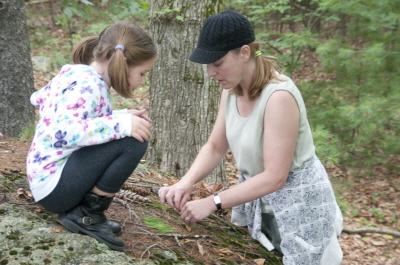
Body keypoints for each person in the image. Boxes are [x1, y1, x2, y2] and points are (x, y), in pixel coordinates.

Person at [158, 10, 343, 265]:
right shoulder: (231, 91)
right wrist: (186, 182)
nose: (210, 72)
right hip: (260, 201)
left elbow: (275, 176)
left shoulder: (278, 97)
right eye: (207, 64)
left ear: (244, 53)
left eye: (218, 63)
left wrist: (213, 202)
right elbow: (215, 146)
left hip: (300, 208)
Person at [26, 21, 157, 252]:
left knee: (128, 129)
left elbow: (60, 110)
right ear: (123, 63)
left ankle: (86, 212)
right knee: (133, 141)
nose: (142, 81)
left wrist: (120, 116)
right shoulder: (89, 85)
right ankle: (88, 215)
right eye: (142, 73)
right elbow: (64, 132)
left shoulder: (80, 75)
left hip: (48, 181)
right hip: (55, 187)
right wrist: (121, 124)